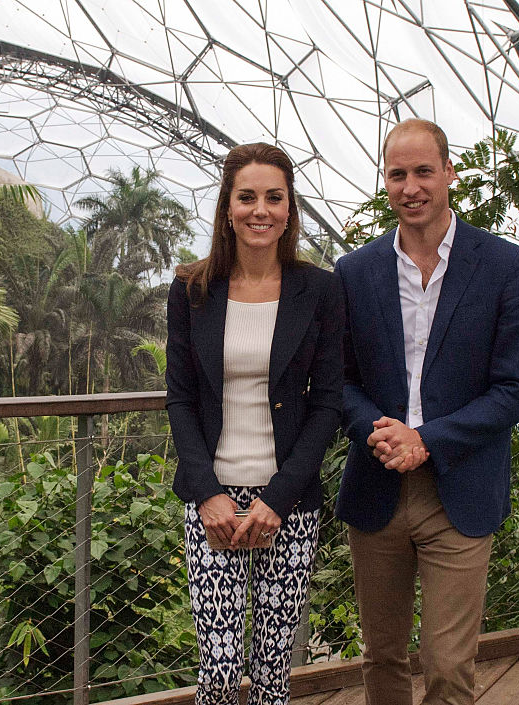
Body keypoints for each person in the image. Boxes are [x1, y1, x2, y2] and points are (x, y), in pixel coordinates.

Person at [335, 119, 519, 705]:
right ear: (386, 181)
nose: (411, 187)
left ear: (450, 173)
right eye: (397, 174)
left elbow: (516, 385)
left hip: (459, 488)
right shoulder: (356, 272)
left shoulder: (504, 266)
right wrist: (382, 435)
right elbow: (338, 380)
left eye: (423, 171)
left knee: (449, 667)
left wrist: (425, 439)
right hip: (377, 486)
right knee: (382, 658)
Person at [166, 142, 343, 705]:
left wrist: (280, 499)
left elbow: (328, 402)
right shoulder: (192, 289)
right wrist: (207, 494)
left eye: (274, 197)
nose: (259, 210)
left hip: (286, 501)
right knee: (217, 674)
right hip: (213, 502)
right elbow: (181, 398)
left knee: (272, 674)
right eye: (247, 197)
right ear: (227, 206)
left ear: (289, 209)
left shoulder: (319, 290)